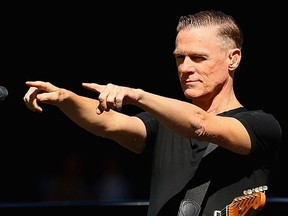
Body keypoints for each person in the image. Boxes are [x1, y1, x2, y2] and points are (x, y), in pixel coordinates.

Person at [23, 10, 282, 216]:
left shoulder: (261, 125)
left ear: (233, 59)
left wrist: (137, 95)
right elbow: (109, 124)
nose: (185, 68)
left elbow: (200, 123)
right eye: (180, 58)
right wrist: (65, 98)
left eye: (198, 58)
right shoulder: (162, 124)